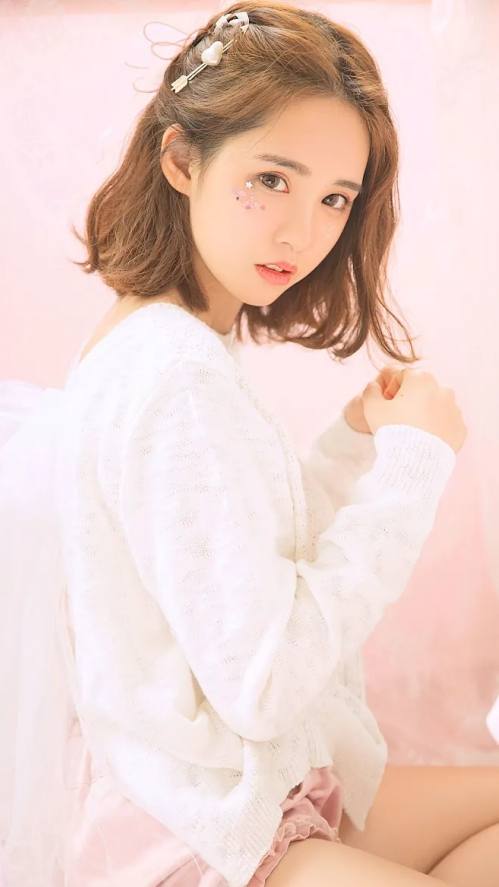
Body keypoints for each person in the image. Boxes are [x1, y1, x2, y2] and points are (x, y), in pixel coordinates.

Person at [5, 4, 498, 887]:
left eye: (334, 198)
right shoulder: (175, 373)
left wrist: (349, 447)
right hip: (193, 836)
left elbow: (227, 567)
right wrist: (411, 468)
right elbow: (265, 681)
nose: (300, 231)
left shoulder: (155, 339)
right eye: (272, 179)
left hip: (236, 798)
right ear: (181, 160)